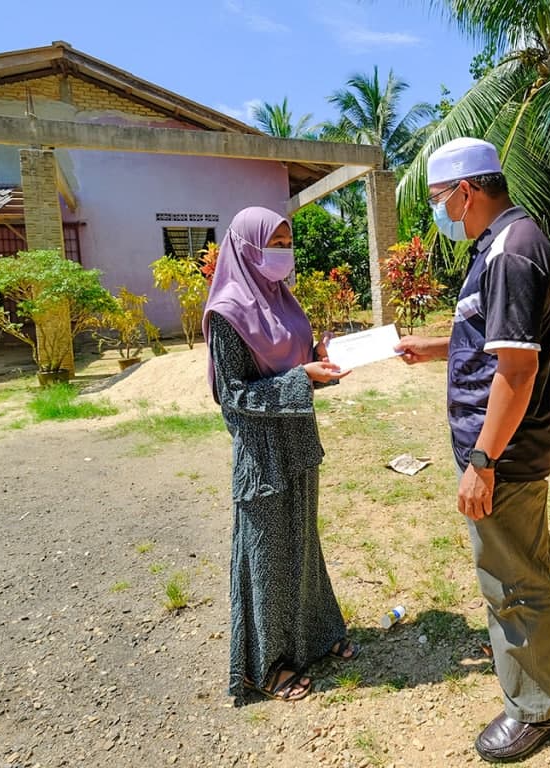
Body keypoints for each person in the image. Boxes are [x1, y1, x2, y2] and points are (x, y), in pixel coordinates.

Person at [396, 138, 550, 762]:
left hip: (504, 448)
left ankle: (535, 708)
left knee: (511, 580)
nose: (441, 211)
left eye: (441, 199)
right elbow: (497, 340)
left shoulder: (508, 252)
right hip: (512, 443)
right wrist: (435, 347)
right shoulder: (507, 242)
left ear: (466, 191)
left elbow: (519, 371)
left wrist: (482, 461)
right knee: (531, 560)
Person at [202, 206, 357, 703]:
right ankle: (266, 666)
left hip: (298, 439)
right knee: (266, 554)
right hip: (261, 450)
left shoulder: (283, 301)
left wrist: (317, 364)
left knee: (301, 542)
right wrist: (301, 379)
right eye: (275, 242)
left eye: (287, 241)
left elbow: (294, 370)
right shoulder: (226, 312)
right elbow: (235, 397)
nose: (283, 252)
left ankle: (313, 634)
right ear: (246, 247)